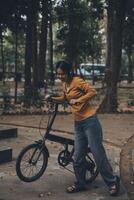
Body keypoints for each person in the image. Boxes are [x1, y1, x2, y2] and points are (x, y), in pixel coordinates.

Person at [50, 60, 120, 196]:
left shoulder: (77, 81)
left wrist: (79, 100)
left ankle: (112, 181)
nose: (60, 76)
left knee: (97, 154)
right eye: (58, 74)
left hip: (90, 122)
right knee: (77, 157)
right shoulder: (65, 84)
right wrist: (52, 99)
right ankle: (81, 183)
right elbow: (64, 98)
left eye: (62, 74)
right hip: (78, 124)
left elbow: (92, 92)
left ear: (68, 72)